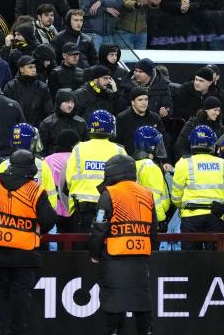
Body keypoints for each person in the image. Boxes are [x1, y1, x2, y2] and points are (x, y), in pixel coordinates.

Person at [0, 148, 57, 335]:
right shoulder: (34, 189)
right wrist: (39, 230)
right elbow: (50, 219)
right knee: (21, 295)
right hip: (24, 252)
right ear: (31, 169)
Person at [89, 155, 157, 335]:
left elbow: (99, 226)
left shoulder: (109, 193)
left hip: (113, 259)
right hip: (140, 258)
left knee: (113, 304)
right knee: (142, 303)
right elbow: (153, 230)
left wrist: (94, 253)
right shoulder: (147, 194)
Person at [172, 124, 224, 250]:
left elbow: (176, 196)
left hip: (190, 217)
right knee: (215, 261)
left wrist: (182, 207)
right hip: (215, 217)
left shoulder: (183, 163)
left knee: (190, 259)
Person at [65, 110, 127, 233]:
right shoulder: (119, 150)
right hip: (111, 210)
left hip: (82, 211)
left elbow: (69, 179)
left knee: (81, 250)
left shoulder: (78, 149)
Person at [132, 126, 171, 227]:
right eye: (157, 144)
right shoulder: (150, 167)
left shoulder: (135, 163)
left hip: (139, 218)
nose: (159, 146)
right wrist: (160, 221)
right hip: (153, 220)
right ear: (150, 146)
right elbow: (154, 199)